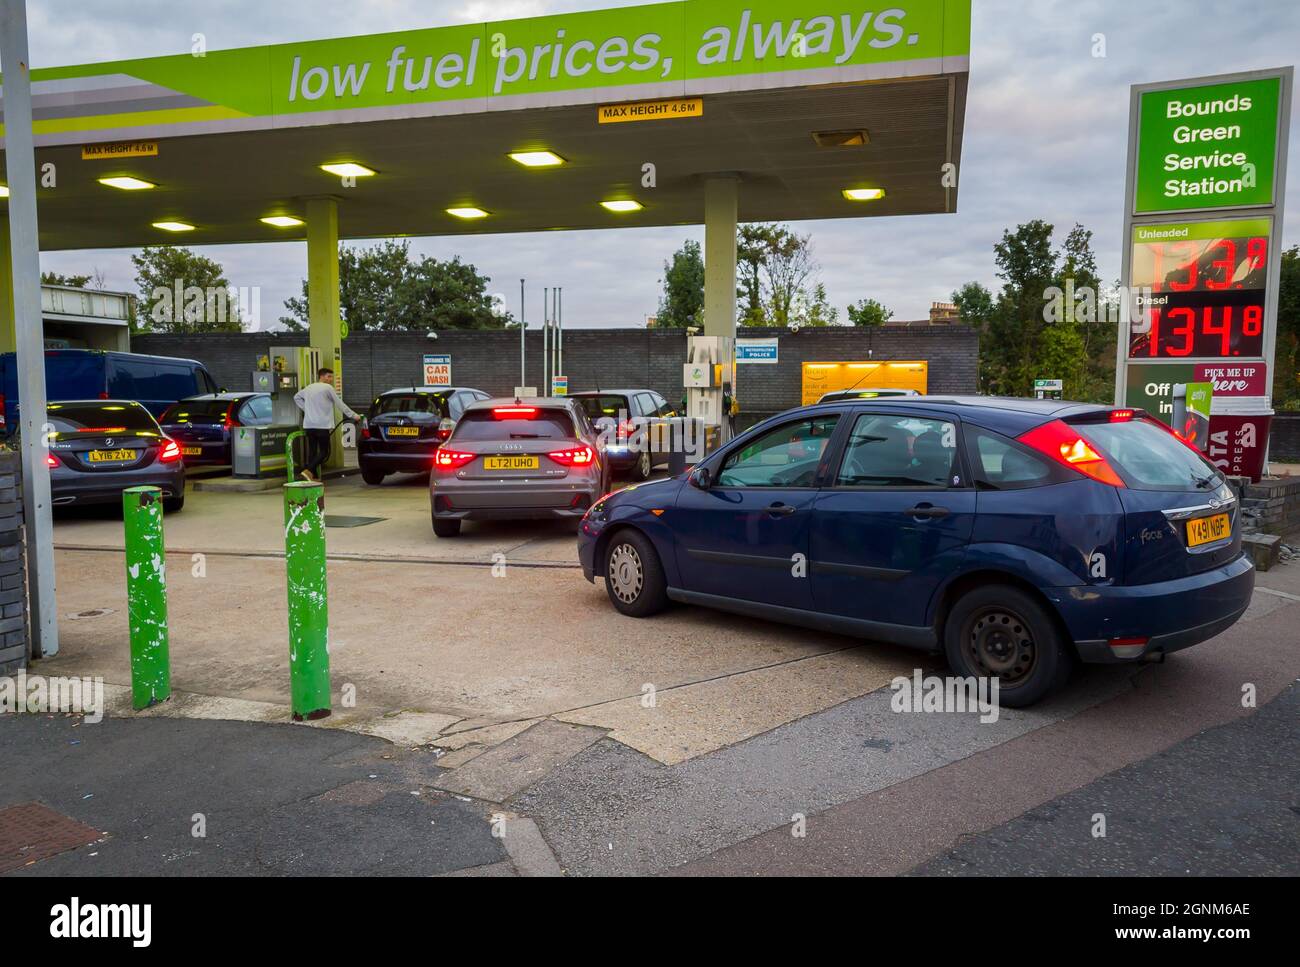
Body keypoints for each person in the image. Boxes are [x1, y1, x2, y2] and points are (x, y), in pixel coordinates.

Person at [293, 367, 360, 481]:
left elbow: (296, 397)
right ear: (322, 376)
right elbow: (340, 404)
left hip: (309, 425)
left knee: (313, 451)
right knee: (324, 452)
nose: (331, 379)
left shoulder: (309, 387)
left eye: (331, 377)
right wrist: (354, 415)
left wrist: (307, 409)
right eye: (329, 376)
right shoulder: (327, 388)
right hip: (322, 425)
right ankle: (307, 470)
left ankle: (312, 476)